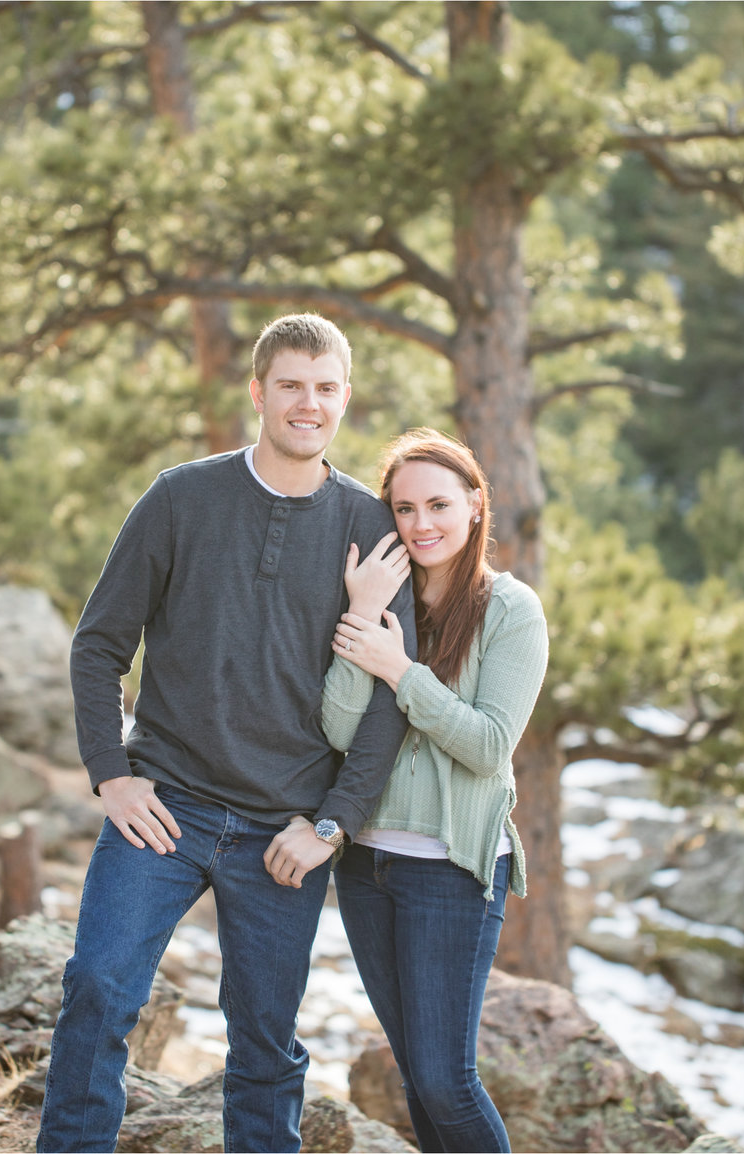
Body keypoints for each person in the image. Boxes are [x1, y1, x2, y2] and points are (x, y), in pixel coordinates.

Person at [43, 314, 419, 1153]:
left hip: (279, 833)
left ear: (345, 399)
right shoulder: (182, 497)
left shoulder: (369, 525)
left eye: (325, 389)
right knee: (99, 989)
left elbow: (393, 699)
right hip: (164, 808)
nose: (307, 404)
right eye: (290, 385)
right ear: (258, 391)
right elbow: (100, 643)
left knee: (264, 1040)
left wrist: (330, 824)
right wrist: (111, 772)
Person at [319, 429, 548, 1154]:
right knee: (418, 1076)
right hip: (366, 866)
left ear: (476, 505)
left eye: (439, 504)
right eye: (406, 507)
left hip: (450, 869)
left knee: (447, 1079)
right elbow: (337, 727)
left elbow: (487, 747)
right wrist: (364, 611)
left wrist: (400, 671)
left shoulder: (512, 612)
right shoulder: (387, 601)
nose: (422, 524)